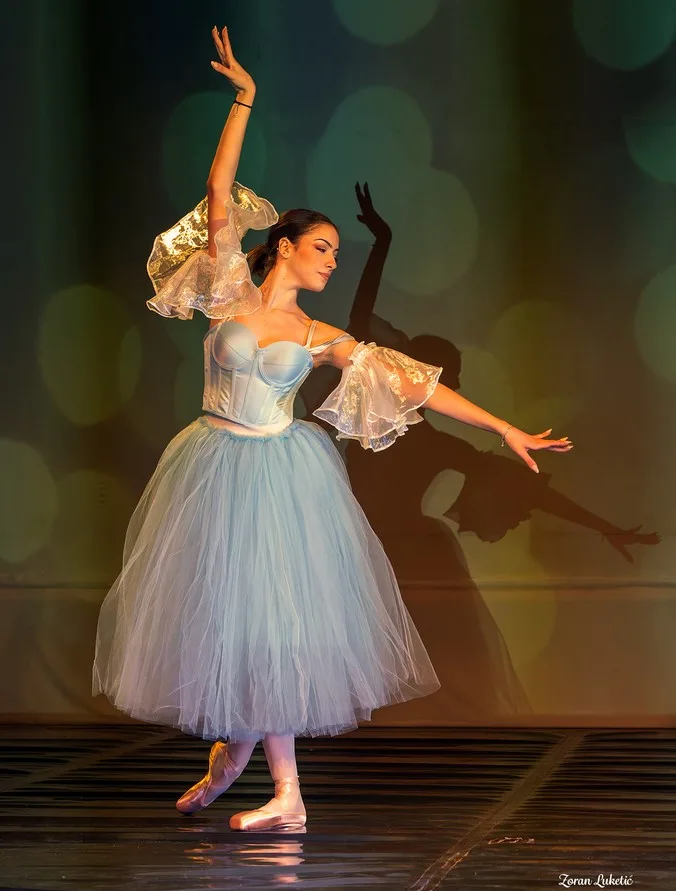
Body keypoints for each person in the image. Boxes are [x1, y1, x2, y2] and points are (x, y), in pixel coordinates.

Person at [91, 26, 572, 832]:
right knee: (232, 626)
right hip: (213, 464)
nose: (330, 260)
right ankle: (235, 760)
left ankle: (286, 793)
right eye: (321, 247)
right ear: (281, 246)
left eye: (336, 252)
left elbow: (416, 385)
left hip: (281, 474)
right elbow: (219, 187)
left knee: (275, 627)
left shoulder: (319, 336)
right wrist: (245, 100)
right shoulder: (227, 289)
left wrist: (504, 428)